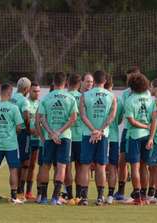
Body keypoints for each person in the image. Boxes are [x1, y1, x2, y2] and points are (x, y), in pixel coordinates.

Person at [37, 72, 77, 205]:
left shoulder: (46, 98)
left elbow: (42, 119)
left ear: (54, 82)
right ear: (65, 83)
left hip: (49, 137)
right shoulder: (70, 98)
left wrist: (51, 133)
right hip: (64, 137)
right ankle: (55, 198)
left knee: (45, 165)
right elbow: (73, 119)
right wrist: (59, 132)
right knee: (62, 166)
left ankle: (43, 197)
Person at [79, 70, 117, 206]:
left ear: (93, 81)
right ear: (105, 81)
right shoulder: (111, 96)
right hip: (103, 135)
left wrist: (93, 130)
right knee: (101, 166)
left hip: (87, 135)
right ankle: (100, 198)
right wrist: (100, 130)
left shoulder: (84, 95)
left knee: (85, 166)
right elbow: (111, 117)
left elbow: (83, 116)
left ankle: (84, 198)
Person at [0, 83, 24, 204]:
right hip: (11, 144)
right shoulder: (14, 108)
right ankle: (13, 197)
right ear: (9, 93)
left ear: (1, 92)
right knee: (13, 169)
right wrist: (12, 133)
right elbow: (19, 127)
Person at [124, 73, 153, 205]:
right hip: (147, 136)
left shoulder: (130, 100)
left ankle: (137, 197)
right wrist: (148, 128)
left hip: (134, 136)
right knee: (144, 166)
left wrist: (144, 125)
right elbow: (154, 118)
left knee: (134, 167)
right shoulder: (149, 99)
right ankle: (144, 195)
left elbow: (132, 120)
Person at [114, 66, 141, 201]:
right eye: (128, 77)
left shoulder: (145, 93)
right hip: (127, 130)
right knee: (122, 161)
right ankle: (121, 191)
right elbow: (120, 113)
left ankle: (142, 192)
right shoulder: (124, 94)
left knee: (140, 163)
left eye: (132, 77)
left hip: (141, 132)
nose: (129, 80)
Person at [11, 77, 31, 200]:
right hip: (22, 133)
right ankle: (20, 190)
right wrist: (29, 128)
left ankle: (14, 189)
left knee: (14, 161)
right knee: (24, 162)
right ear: (26, 89)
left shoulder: (11, 98)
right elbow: (26, 116)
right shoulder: (24, 100)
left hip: (11, 133)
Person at [65, 73, 82, 205]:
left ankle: (69, 195)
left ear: (67, 83)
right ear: (79, 83)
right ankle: (80, 196)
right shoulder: (83, 97)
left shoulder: (65, 96)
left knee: (68, 167)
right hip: (81, 136)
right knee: (81, 167)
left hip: (68, 135)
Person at [105, 81, 123, 205]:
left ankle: (98, 195)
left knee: (97, 166)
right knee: (112, 167)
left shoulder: (98, 97)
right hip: (114, 137)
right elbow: (120, 119)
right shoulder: (119, 100)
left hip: (100, 136)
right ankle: (110, 195)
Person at [26, 82, 41, 200]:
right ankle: (20, 190)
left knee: (34, 165)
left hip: (37, 139)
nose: (37, 93)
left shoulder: (40, 104)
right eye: (34, 91)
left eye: (38, 91)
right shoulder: (25, 103)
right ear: (29, 91)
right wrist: (30, 130)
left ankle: (29, 192)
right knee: (25, 165)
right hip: (27, 138)